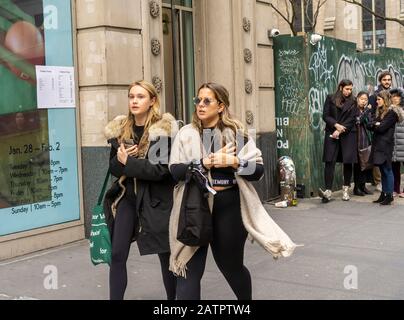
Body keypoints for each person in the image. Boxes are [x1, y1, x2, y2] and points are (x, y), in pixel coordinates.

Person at [168, 82, 297, 300]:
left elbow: (258, 171)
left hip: (228, 208)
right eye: (198, 100)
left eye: (207, 101)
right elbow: (175, 170)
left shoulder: (235, 132)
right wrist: (204, 162)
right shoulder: (186, 133)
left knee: (231, 268)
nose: (200, 105)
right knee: (188, 271)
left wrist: (234, 161)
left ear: (220, 106)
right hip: (194, 206)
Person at [104, 80, 178, 300]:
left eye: (140, 96)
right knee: (117, 254)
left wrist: (129, 163)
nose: (134, 101)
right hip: (127, 198)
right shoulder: (121, 129)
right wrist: (122, 161)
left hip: (157, 200)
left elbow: (160, 171)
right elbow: (114, 167)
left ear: (152, 101)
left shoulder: (161, 129)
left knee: (166, 256)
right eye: (131, 96)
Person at [319, 79, 358, 203]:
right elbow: (325, 115)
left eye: (350, 89)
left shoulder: (353, 101)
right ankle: (328, 191)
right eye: (347, 89)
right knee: (329, 161)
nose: (349, 91)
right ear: (341, 87)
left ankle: (345, 189)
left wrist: (340, 129)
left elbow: (352, 119)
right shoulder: (330, 98)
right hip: (332, 133)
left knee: (347, 162)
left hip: (347, 134)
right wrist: (336, 125)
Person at [368, 91, 404, 205]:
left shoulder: (392, 113)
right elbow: (370, 124)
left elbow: (382, 128)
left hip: (386, 145)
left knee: (387, 170)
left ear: (384, 99)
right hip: (379, 144)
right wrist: (376, 124)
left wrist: (377, 124)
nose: (377, 101)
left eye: (379, 99)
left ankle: (389, 196)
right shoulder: (381, 112)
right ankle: (384, 194)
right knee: (383, 170)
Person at [369, 71, 393, 191]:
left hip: (390, 128)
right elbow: (372, 112)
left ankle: (388, 186)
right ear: (380, 81)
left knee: (387, 158)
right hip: (379, 129)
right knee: (378, 156)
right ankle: (378, 182)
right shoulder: (375, 95)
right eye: (384, 80)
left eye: (389, 79)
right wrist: (375, 123)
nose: (387, 82)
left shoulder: (393, 94)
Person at [353, 91, 373, 196]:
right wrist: (367, 111)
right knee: (358, 166)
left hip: (366, 141)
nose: (364, 101)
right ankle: (356, 188)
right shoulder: (355, 110)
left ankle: (363, 186)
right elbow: (358, 121)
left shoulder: (367, 111)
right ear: (357, 99)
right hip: (357, 142)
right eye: (362, 99)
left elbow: (369, 123)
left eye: (365, 99)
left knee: (366, 165)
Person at [390, 88, 404, 197]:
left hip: (402, 142)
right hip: (393, 143)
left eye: (397, 96)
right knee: (394, 168)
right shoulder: (389, 110)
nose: (395, 99)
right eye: (393, 96)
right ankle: (395, 189)